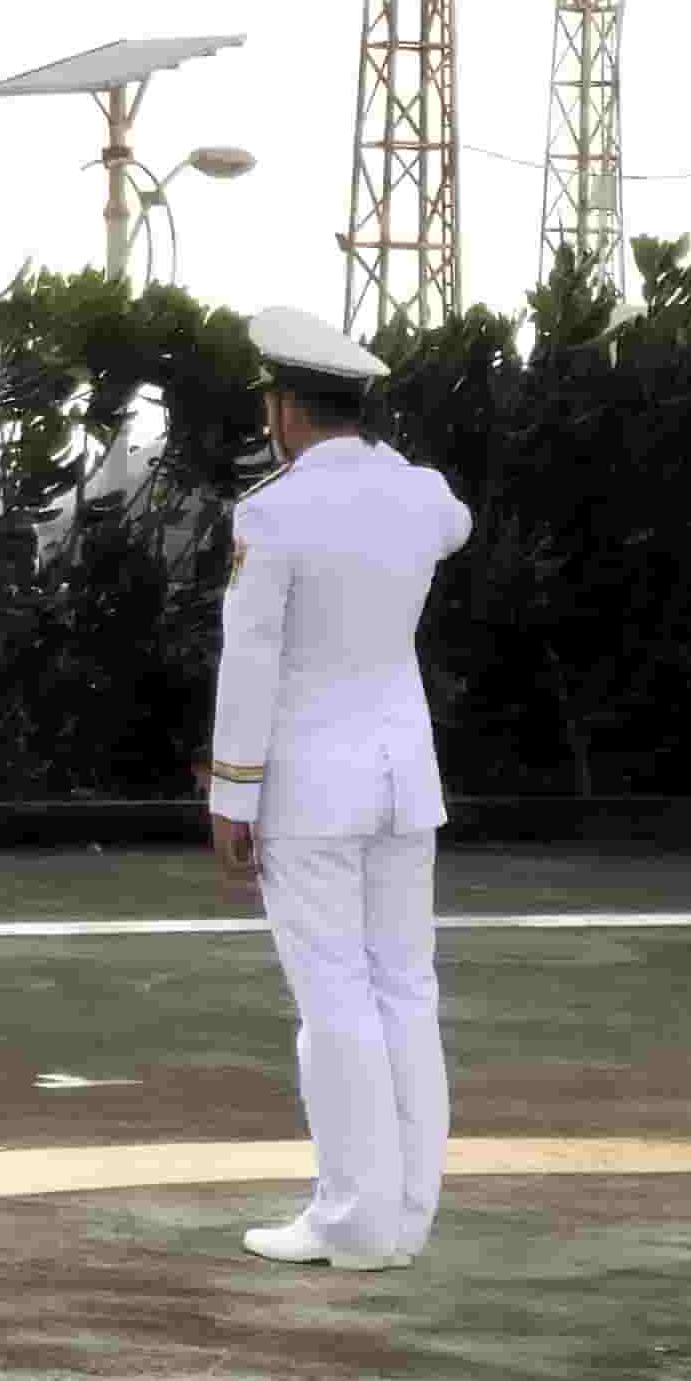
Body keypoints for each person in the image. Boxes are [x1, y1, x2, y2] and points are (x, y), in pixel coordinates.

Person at [209, 305, 472, 1271]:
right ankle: (405, 1216)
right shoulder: (421, 494)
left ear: (284, 409)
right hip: (406, 782)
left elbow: (253, 659)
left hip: (311, 788)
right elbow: (455, 525)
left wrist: (232, 796)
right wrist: (383, 466)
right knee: (406, 989)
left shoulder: (272, 513)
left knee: (336, 1001)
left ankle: (353, 1219)